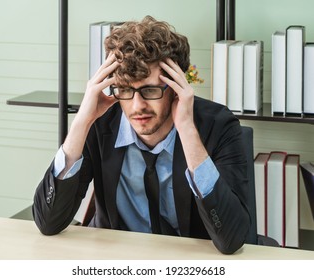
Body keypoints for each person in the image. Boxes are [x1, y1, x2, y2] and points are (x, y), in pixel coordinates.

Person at [33, 16, 250, 254]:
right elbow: (48, 223)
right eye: (125, 90)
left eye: (149, 90)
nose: (137, 106)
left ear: (176, 88)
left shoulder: (218, 126)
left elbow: (231, 240)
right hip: (116, 259)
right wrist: (81, 122)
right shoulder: (99, 123)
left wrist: (187, 129)